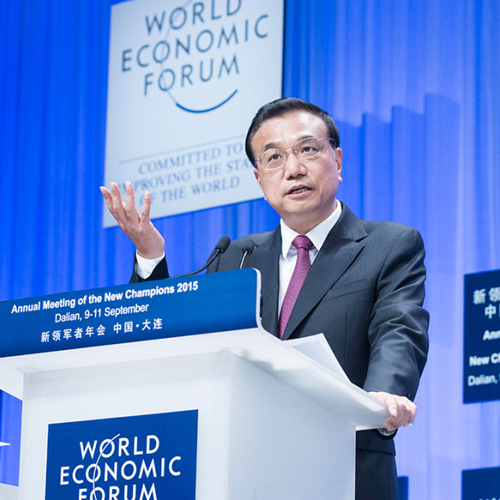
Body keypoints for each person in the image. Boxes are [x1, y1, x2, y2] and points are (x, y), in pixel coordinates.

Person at [101, 97, 429, 499]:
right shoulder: (236, 257)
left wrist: (383, 397)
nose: (293, 169)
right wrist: (150, 256)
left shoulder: (389, 245)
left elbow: (399, 328)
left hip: (346, 467)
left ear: (338, 159)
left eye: (308, 149)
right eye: (274, 158)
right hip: (244, 473)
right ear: (260, 179)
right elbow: (175, 339)